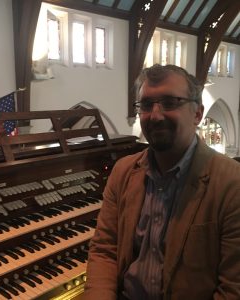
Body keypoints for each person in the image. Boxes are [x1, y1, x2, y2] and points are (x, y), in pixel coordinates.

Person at [83, 64, 240, 300]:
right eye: (146, 105)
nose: (155, 116)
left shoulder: (231, 182)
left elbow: (232, 288)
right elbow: (105, 251)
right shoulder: (123, 172)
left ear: (197, 113)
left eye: (170, 102)